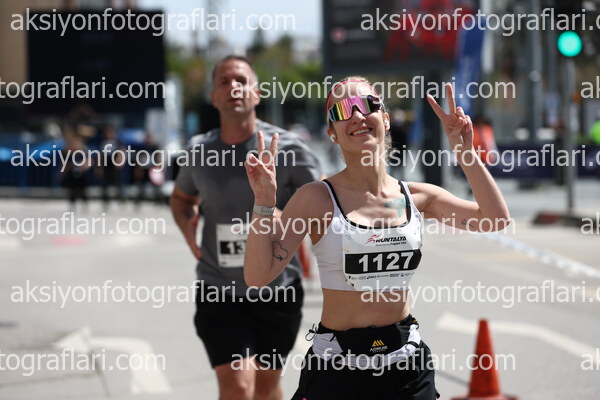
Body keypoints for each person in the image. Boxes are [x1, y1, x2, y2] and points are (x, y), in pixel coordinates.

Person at [243, 78, 510, 399]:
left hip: (406, 366)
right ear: (332, 132)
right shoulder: (316, 198)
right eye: (343, 110)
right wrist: (263, 202)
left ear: (385, 118)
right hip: (337, 367)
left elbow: (495, 220)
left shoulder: (417, 196)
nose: (357, 115)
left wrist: (465, 153)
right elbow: (258, 276)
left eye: (367, 105)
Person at [169, 55, 321, 400]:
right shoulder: (199, 152)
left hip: (277, 287)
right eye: (224, 81)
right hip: (218, 287)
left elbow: (324, 204)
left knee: (265, 387)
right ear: (213, 97)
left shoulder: (289, 148)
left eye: (241, 81)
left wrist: (281, 217)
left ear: (257, 92)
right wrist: (187, 229)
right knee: (237, 385)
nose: (233, 87)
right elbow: (180, 199)